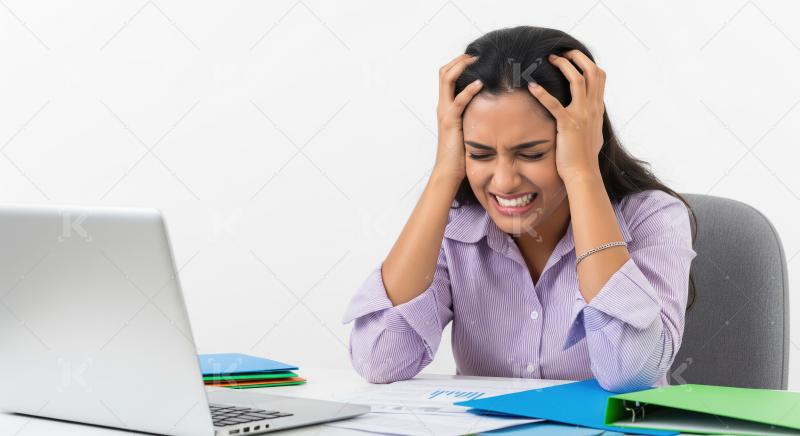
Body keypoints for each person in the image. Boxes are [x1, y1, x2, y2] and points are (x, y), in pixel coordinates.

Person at [341, 25, 698, 393]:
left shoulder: (653, 218)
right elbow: (378, 359)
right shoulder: (456, 225)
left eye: (531, 154)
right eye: (480, 153)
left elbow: (629, 373)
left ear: (582, 139)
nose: (504, 181)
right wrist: (444, 173)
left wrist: (582, 172)